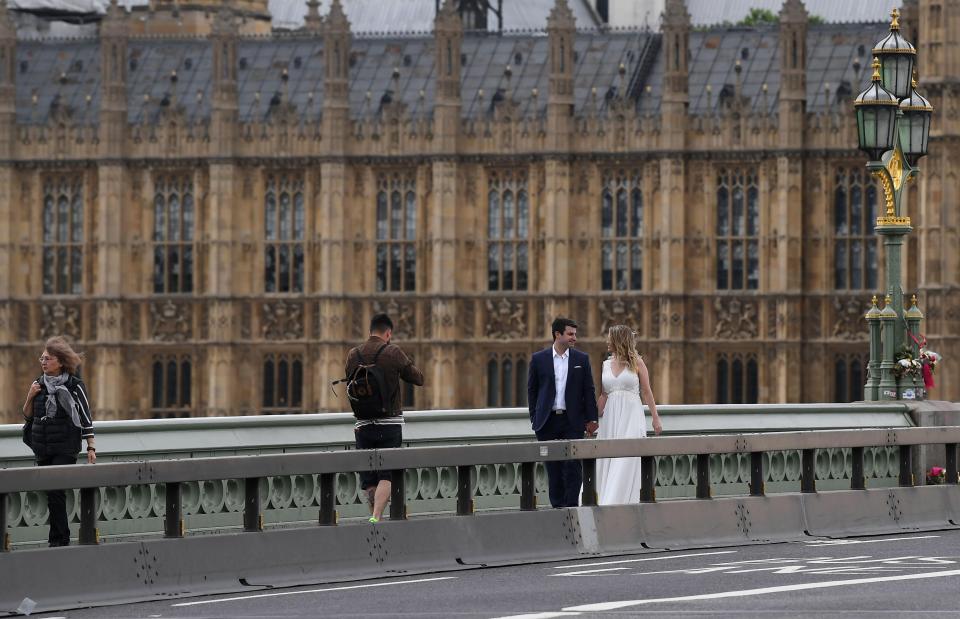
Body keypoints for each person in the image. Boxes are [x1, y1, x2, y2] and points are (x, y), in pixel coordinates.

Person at [345, 313, 424, 524]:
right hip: (389, 424)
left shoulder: (354, 354)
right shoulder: (392, 352)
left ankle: (374, 522)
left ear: (370, 331)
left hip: (362, 424)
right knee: (387, 475)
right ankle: (377, 516)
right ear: (388, 333)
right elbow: (418, 378)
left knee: (370, 477)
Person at [21, 336, 96, 547]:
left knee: (55, 490)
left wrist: (91, 446)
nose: (43, 362)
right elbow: (27, 415)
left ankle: (58, 540)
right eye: (42, 358)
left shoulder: (74, 385)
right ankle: (59, 537)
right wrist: (29, 396)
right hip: (43, 445)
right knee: (52, 493)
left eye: (48, 358)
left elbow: (85, 416)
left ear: (61, 362)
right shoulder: (38, 384)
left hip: (65, 446)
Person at [527, 317, 599, 508]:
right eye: (570, 334)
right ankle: (557, 510)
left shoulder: (581, 359)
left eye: (575, 334)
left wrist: (592, 418)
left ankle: (571, 508)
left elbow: (588, 390)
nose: (574, 338)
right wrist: (535, 419)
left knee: (574, 468)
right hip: (547, 422)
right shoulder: (538, 359)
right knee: (554, 469)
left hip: (572, 421)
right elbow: (532, 391)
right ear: (557, 335)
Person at [596, 324, 662, 505]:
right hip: (611, 418)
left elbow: (647, 392)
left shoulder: (637, 362)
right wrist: (593, 419)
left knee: (626, 459)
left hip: (631, 416)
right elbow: (604, 394)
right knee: (608, 458)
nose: (607, 341)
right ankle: (604, 500)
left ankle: (617, 502)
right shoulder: (605, 364)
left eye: (610, 338)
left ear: (618, 340)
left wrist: (655, 419)